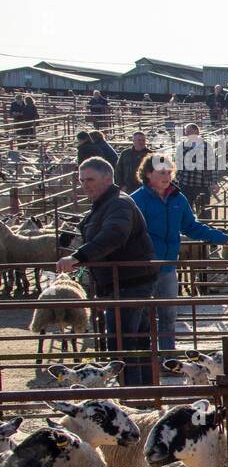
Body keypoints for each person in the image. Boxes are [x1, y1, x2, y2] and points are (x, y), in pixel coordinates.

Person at [56, 157, 159, 387]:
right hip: (125, 282)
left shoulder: (118, 204)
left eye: (90, 179)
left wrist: (77, 256)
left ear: (108, 178)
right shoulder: (106, 204)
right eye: (82, 180)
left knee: (123, 345)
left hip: (127, 284)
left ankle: (132, 398)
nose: (85, 185)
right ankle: (144, 394)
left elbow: (114, 235)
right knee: (136, 341)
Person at [130, 154, 228, 354]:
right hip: (143, 267)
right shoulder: (136, 201)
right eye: (161, 172)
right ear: (148, 174)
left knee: (168, 314)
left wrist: (217, 236)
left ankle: (167, 357)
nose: (166, 176)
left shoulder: (178, 198)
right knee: (142, 315)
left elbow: (190, 226)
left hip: (168, 266)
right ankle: (144, 359)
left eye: (169, 172)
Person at [177, 123, 216, 213]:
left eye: (190, 131)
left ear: (197, 132)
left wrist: (214, 181)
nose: (187, 134)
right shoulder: (181, 146)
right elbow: (178, 164)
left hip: (201, 183)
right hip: (185, 184)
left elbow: (212, 165)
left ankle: (205, 225)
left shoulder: (206, 146)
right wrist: (178, 179)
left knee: (203, 210)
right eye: (186, 132)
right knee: (185, 210)